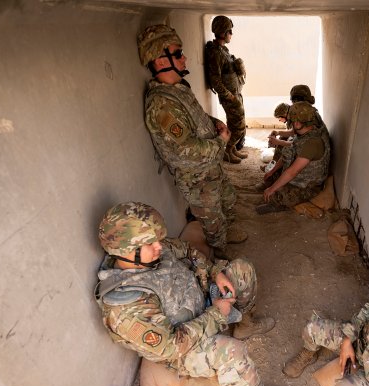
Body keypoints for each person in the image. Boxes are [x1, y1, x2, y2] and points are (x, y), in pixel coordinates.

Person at [94, 202, 298, 386]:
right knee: (232, 351)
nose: (159, 246)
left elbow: (187, 250)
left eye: (157, 240)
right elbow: (172, 346)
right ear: (127, 250)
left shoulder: (150, 253)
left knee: (241, 270)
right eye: (150, 244)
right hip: (185, 346)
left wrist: (214, 272)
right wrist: (217, 314)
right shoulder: (127, 303)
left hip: (202, 302)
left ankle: (245, 325)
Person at [138, 24, 246, 257]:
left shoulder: (178, 89)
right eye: (177, 54)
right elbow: (186, 150)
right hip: (197, 177)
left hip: (211, 166)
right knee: (212, 221)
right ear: (159, 61)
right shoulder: (162, 105)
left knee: (228, 198)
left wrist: (213, 121)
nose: (184, 57)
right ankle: (219, 257)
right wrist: (221, 142)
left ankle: (226, 233)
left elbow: (195, 114)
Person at [256, 101, 331, 214]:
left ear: (296, 123)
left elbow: (293, 172)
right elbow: (288, 153)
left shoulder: (312, 142)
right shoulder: (303, 134)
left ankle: (280, 204)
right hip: (300, 177)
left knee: (274, 195)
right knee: (273, 178)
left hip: (308, 186)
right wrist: (272, 171)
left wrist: (272, 189)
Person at [204, 16, 248, 164]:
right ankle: (227, 151)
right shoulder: (215, 53)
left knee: (235, 124)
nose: (231, 34)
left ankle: (232, 149)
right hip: (230, 97)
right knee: (239, 126)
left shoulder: (223, 50)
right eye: (229, 31)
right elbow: (215, 80)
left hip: (235, 94)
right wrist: (229, 96)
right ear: (222, 32)